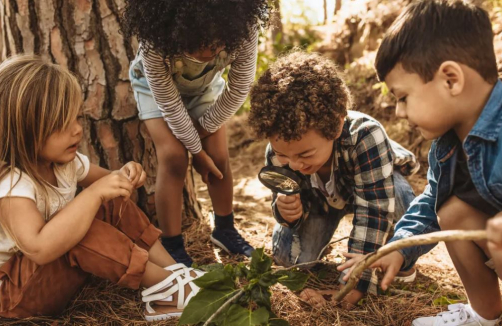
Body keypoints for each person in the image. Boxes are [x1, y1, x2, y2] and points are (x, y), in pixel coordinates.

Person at [0, 55, 204, 321]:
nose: (77, 131)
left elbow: (110, 183)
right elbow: (40, 249)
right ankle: (167, 289)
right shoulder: (13, 187)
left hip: (46, 278)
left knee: (109, 201)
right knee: (81, 228)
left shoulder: (64, 164)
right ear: (24, 131)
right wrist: (95, 194)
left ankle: (175, 273)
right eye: (63, 125)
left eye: (77, 119)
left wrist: (125, 174)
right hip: (15, 297)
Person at [343, 1, 502, 325]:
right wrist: (399, 249)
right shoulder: (446, 145)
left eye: (403, 97)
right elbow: (430, 203)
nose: (399, 112)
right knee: (451, 209)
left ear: (450, 80)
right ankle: (485, 315)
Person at [248, 51, 420, 308]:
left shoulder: (366, 135)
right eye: (285, 155)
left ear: (336, 127)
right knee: (287, 256)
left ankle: (401, 258)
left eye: (305, 153)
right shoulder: (279, 152)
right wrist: (288, 214)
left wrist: (357, 280)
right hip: (320, 204)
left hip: (373, 187)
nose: (295, 164)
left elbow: (373, 210)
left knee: (401, 197)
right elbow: (281, 201)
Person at [121, 0, 271, 266]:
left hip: (204, 89)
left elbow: (238, 89)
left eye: (216, 45)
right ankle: (172, 244)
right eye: (197, 44)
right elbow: (168, 103)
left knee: (219, 156)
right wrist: (196, 152)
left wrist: (202, 135)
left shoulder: (243, 28)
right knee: (173, 157)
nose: (207, 52)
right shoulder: (155, 40)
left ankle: (225, 230)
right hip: (155, 91)